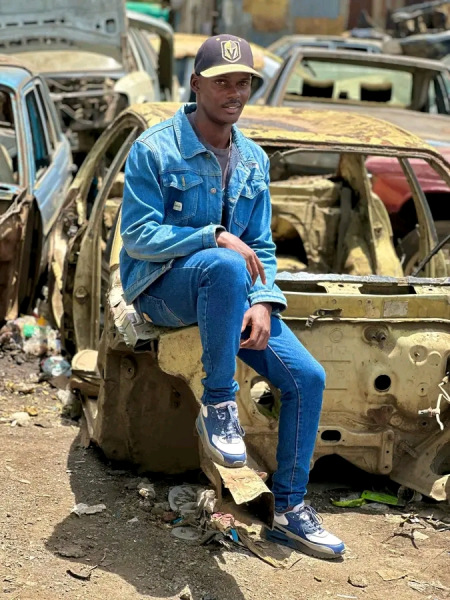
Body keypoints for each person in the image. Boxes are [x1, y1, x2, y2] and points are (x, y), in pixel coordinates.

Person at [120, 34, 345, 559]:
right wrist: (214, 235)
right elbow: (138, 236)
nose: (235, 92)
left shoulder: (253, 160)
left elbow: (261, 244)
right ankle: (219, 404)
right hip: (162, 289)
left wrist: (263, 300)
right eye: (222, 82)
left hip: (231, 294)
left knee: (308, 378)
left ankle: (289, 510)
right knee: (222, 263)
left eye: (243, 82)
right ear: (196, 84)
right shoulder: (155, 148)